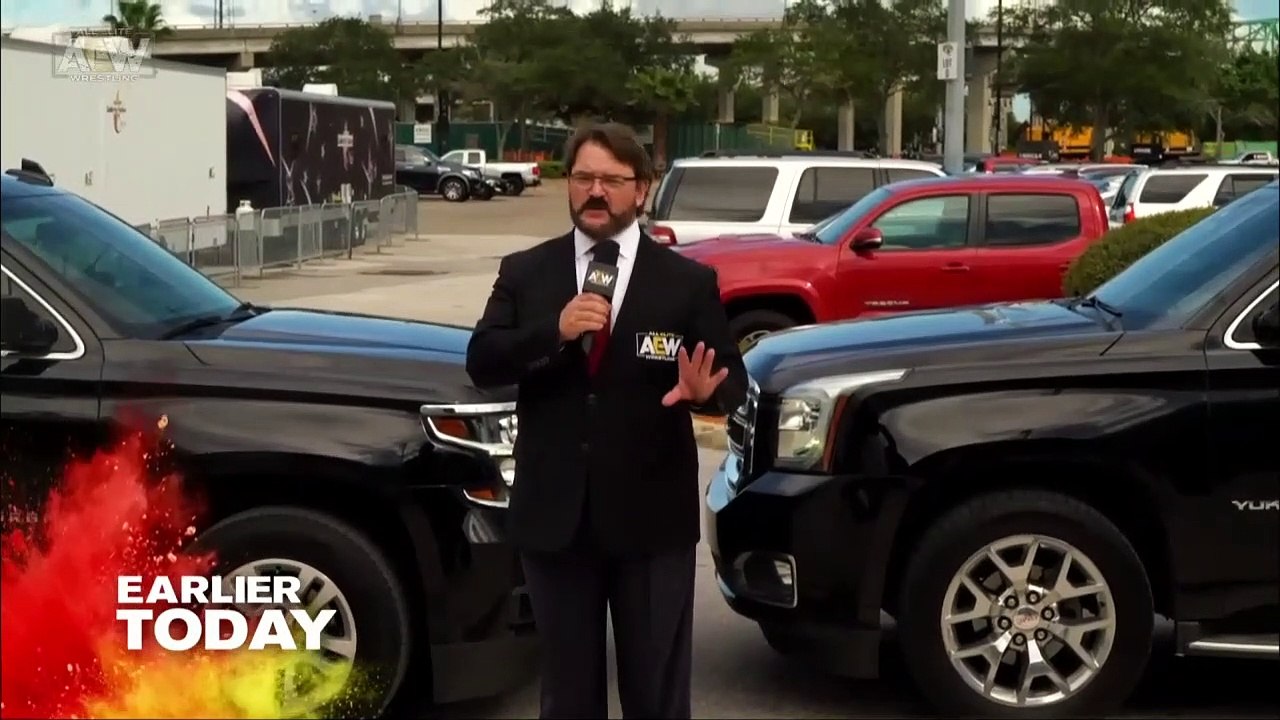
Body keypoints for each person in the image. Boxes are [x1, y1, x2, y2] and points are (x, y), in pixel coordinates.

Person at [465, 122, 748, 719]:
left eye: (613, 181)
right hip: (555, 520)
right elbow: (483, 360)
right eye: (584, 178)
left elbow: (732, 386)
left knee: (656, 693)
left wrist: (705, 394)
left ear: (641, 190)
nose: (596, 192)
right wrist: (555, 332)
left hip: (651, 526)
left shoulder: (686, 282)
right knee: (567, 695)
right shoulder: (527, 272)